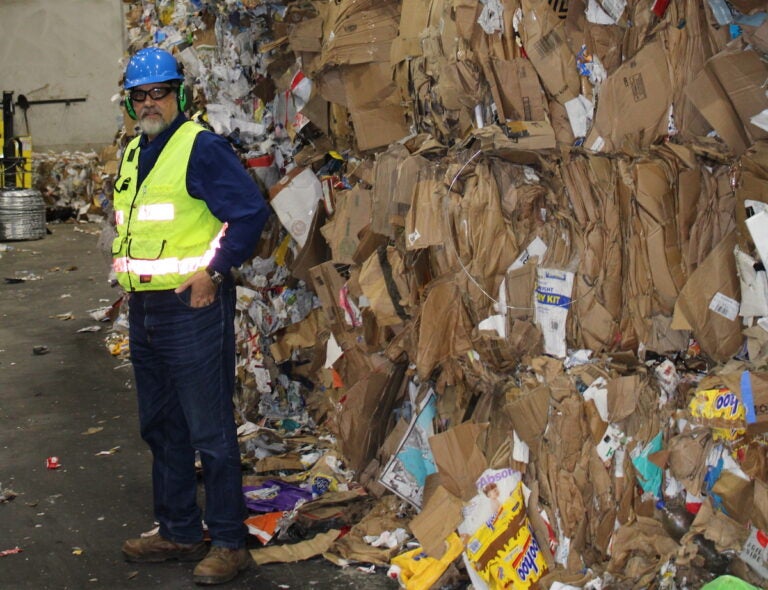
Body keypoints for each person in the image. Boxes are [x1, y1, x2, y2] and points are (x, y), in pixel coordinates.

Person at [112, 47, 270, 586]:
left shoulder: (199, 147)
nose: (150, 102)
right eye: (140, 95)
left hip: (191, 308)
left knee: (209, 429)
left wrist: (215, 272)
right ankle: (178, 529)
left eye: (159, 92)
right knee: (161, 426)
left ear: (178, 94)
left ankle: (229, 541)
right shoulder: (135, 151)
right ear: (130, 102)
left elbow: (249, 213)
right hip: (146, 309)